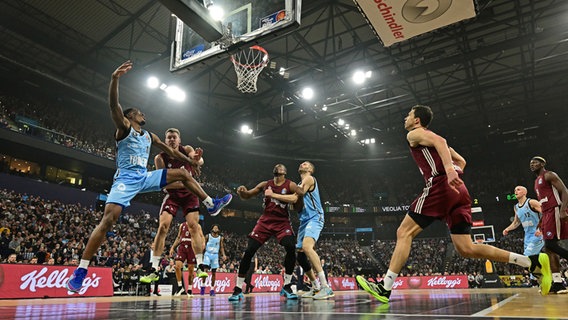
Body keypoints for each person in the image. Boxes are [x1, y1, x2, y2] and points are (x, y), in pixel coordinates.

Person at [356, 105, 552, 303]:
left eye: (408, 115)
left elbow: (442, 142)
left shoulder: (415, 134)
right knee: (466, 248)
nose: (405, 118)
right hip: (460, 191)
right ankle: (530, 262)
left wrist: (448, 171)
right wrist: (454, 170)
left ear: (417, 120)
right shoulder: (430, 139)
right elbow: (462, 161)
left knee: (403, 232)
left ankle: (385, 287)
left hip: (441, 186)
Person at [65, 61, 233, 293]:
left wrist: (192, 162)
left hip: (144, 177)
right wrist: (115, 78)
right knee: (108, 221)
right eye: (139, 112)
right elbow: (114, 105)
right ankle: (81, 270)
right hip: (125, 180)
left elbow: (172, 151)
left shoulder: (150, 135)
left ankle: (210, 203)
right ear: (130, 116)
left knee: (183, 174)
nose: (144, 114)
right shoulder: (123, 128)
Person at [142, 127, 212, 285]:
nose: (172, 140)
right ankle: (154, 268)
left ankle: (200, 265)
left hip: (189, 195)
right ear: (165, 141)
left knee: (194, 226)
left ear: (179, 140)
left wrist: (198, 160)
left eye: (174, 137)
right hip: (173, 194)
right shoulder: (160, 158)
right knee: (163, 227)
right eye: (169, 138)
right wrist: (184, 182)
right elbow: (164, 184)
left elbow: (198, 160)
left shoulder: (186, 149)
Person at [228, 164, 300, 302]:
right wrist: (241, 192)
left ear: (285, 172)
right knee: (249, 250)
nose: (278, 166)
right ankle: (237, 289)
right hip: (265, 221)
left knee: (291, 247)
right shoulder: (265, 184)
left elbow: (298, 195)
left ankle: (287, 285)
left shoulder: (290, 185)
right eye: (277, 166)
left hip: (282, 221)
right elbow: (247, 195)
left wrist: (303, 186)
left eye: (281, 166)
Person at [267, 161, 334, 300]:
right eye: (302, 164)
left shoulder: (309, 179)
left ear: (310, 170)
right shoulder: (298, 184)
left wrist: (274, 195)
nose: (303, 164)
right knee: (301, 255)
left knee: (307, 247)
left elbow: (295, 197)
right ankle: (315, 287)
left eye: (306, 164)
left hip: (315, 217)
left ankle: (325, 287)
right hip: (304, 220)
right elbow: (294, 201)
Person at [531, 156, 568, 294]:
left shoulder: (549, 175)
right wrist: (541, 220)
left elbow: (565, 191)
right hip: (546, 213)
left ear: (542, 164)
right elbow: (543, 202)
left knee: (551, 244)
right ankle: (558, 283)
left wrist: (563, 209)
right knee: (549, 249)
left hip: (555, 210)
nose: (532, 164)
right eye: (531, 163)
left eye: (535, 162)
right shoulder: (536, 182)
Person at [169, 222, 197, 296]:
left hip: (191, 248)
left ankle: (190, 290)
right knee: (177, 266)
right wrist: (172, 247)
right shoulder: (182, 225)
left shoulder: (196, 225)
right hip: (182, 247)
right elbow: (178, 237)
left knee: (191, 271)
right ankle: (180, 286)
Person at [202, 224, 226, 296]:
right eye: (214, 228)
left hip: (215, 255)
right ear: (212, 229)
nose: (215, 229)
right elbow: (203, 245)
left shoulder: (220, 238)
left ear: (218, 230)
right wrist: (200, 253)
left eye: (216, 228)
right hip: (207, 254)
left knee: (214, 273)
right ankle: (203, 287)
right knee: (205, 271)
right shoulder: (207, 236)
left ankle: (212, 289)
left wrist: (223, 254)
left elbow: (221, 247)